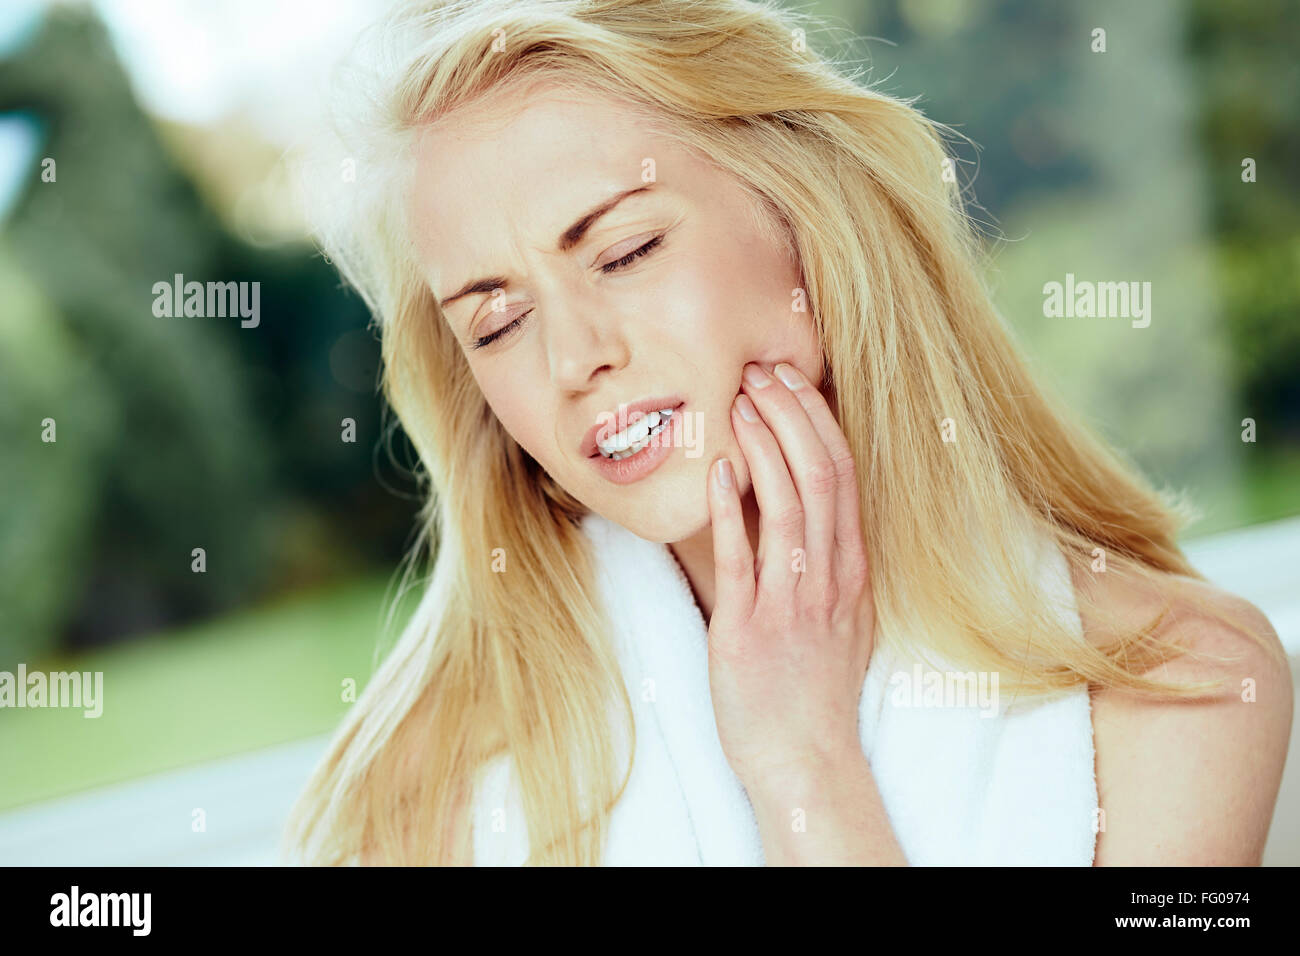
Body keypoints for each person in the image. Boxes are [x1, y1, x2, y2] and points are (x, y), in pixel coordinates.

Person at [283, 0, 1291, 866]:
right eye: (496, 322)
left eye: (624, 251)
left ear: (806, 220)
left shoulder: (1187, 685)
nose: (570, 358)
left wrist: (800, 765)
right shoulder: (421, 789)